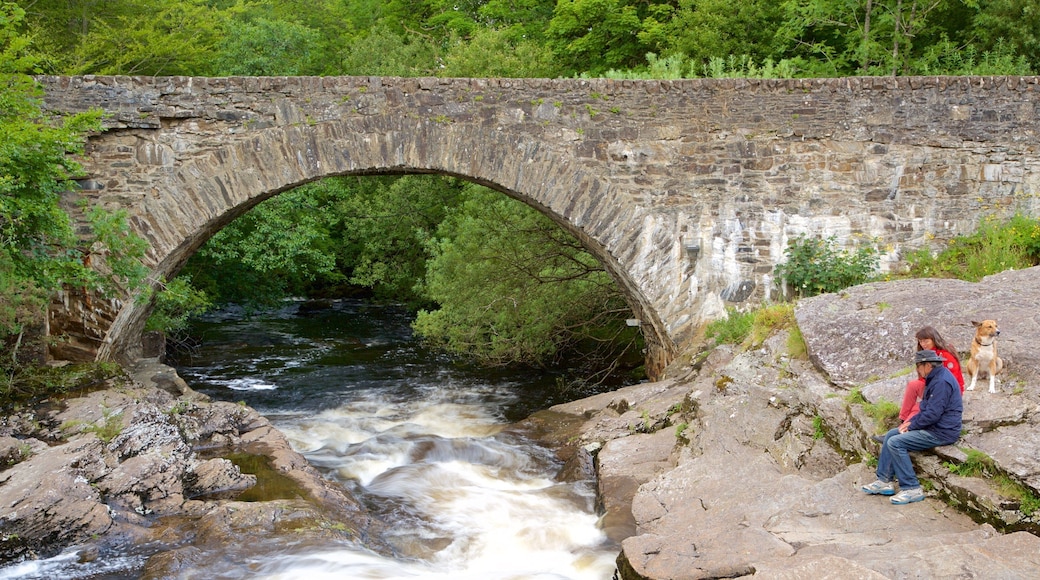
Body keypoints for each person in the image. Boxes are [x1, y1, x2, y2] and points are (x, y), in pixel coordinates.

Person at [862, 349, 963, 505]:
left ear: (928, 365)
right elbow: (926, 408)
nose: (917, 370)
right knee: (891, 434)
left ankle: (911, 488)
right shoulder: (935, 377)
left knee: (896, 442)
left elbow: (933, 414)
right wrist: (910, 422)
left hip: (941, 432)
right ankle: (884, 481)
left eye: (918, 366)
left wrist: (913, 425)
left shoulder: (941, 382)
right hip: (933, 426)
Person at [900, 326, 964, 422]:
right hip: (933, 386)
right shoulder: (926, 354)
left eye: (926, 341)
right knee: (913, 385)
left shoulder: (946, 355)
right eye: (921, 341)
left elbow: (951, 380)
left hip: (946, 390)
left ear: (934, 339)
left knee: (918, 408)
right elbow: (923, 378)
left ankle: (903, 428)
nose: (923, 344)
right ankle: (902, 418)